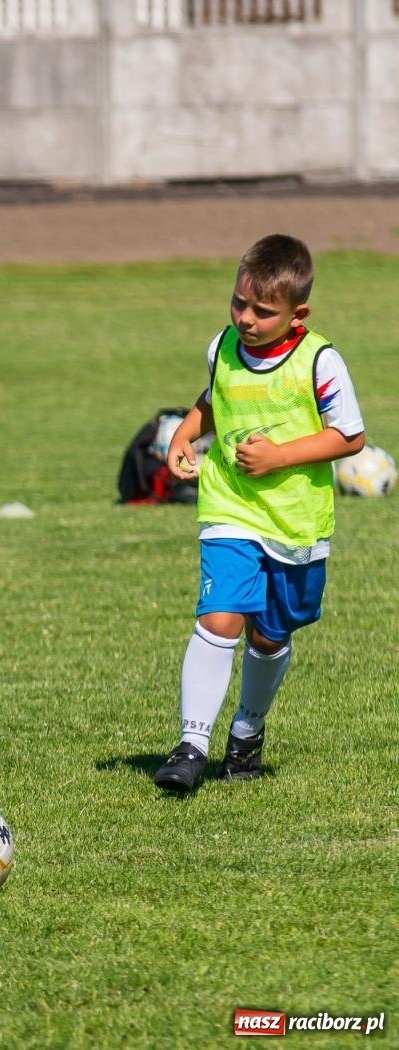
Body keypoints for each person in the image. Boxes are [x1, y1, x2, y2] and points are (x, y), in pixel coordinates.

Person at [153, 234, 365, 794]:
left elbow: (349, 436)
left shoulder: (320, 359)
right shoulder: (222, 345)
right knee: (218, 615)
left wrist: (279, 457)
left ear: (298, 315)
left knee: (269, 636)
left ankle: (246, 730)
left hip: (295, 521)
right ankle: (191, 745)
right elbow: (213, 398)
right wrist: (185, 434)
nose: (245, 318)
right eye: (238, 303)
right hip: (230, 504)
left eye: (262, 312)